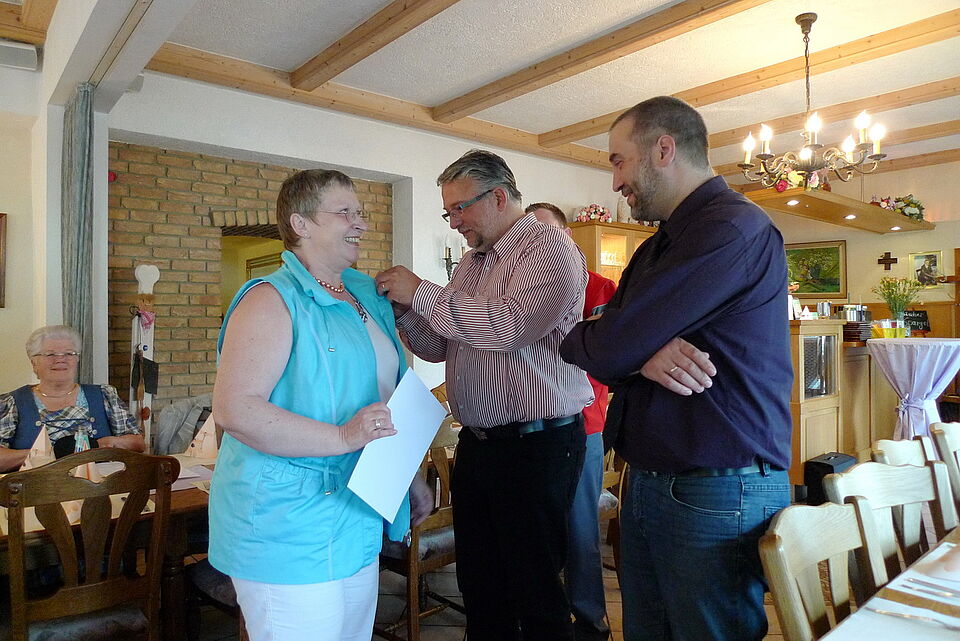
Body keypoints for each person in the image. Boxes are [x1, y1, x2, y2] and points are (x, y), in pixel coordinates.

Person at [560, 96, 792, 641]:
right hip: (656, 479)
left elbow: (608, 344)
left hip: (717, 486)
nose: (615, 181)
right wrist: (639, 351)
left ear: (664, 149)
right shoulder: (657, 246)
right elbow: (593, 337)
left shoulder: (731, 229)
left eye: (619, 160)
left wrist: (626, 345)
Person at [374, 149, 593, 641]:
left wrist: (421, 291)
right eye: (447, 212)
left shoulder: (549, 247)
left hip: (538, 445)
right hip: (478, 445)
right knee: (481, 587)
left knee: (535, 591)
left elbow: (506, 327)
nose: (454, 222)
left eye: (460, 208)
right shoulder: (470, 265)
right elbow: (438, 347)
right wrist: (405, 311)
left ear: (497, 197)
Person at [210, 169, 433, 641]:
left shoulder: (366, 295)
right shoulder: (270, 298)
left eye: (360, 212)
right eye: (345, 212)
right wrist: (343, 436)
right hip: (287, 522)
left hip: (356, 508)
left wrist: (407, 475)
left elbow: (383, 394)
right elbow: (236, 410)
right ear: (301, 223)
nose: (360, 223)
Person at [525, 201, 616, 641]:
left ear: (566, 237)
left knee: (580, 526)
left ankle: (591, 618)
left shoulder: (599, 289)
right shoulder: (521, 291)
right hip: (529, 430)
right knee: (533, 529)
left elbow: (605, 358)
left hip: (583, 425)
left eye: (545, 233)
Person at [0, 325, 144, 472]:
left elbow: (138, 443)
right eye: (50, 354)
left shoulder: (105, 395)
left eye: (69, 353)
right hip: (37, 485)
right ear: (34, 363)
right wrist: (47, 455)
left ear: (77, 359)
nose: (60, 359)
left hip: (99, 484)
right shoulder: (12, 402)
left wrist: (105, 444)